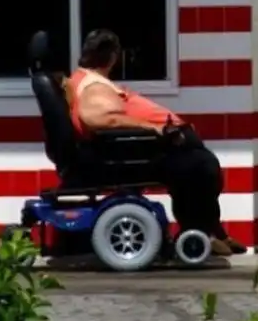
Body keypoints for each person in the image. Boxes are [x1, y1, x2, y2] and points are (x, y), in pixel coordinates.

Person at [66, 28, 247, 256]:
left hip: (151, 145)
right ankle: (201, 233)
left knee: (198, 166)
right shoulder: (94, 86)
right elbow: (100, 119)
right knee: (202, 167)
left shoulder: (87, 79)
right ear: (113, 57)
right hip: (135, 152)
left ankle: (210, 231)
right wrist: (154, 127)